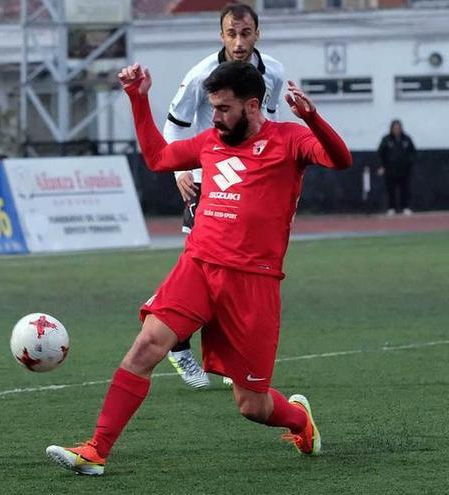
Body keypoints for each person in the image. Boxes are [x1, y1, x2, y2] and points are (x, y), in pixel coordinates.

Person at [45, 61, 352, 476]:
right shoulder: (210, 141)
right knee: (146, 346)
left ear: (253, 104)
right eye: (213, 108)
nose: (217, 118)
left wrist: (313, 119)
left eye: (225, 108)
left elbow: (341, 160)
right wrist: (138, 98)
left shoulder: (290, 139)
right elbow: (157, 159)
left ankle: (299, 419)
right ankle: (95, 450)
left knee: (251, 405)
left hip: (252, 283)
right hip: (198, 266)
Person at [163, 4, 285, 389]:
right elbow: (174, 124)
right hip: (207, 180)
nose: (238, 41)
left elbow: (268, 125)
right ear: (221, 35)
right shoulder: (201, 75)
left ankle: (227, 358)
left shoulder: (274, 74)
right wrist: (180, 170)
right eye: (231, 33)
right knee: (206, 268)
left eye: (245, 33)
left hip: (250, 186)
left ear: (257, 34)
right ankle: (177, 344)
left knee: (231, 273)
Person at [377, 119, 416, 216]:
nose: (397, 130)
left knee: (405, 189)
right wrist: (382, 166)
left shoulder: (406, 139)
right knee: (391, 190)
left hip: (404, 170)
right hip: (390, 169)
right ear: (391, 129)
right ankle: (391, 208)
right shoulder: (386, 139)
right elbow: (380, 153)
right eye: (395, 128)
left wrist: (409, 163)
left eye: (398, 128)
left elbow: (413, 152)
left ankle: (405, 207)